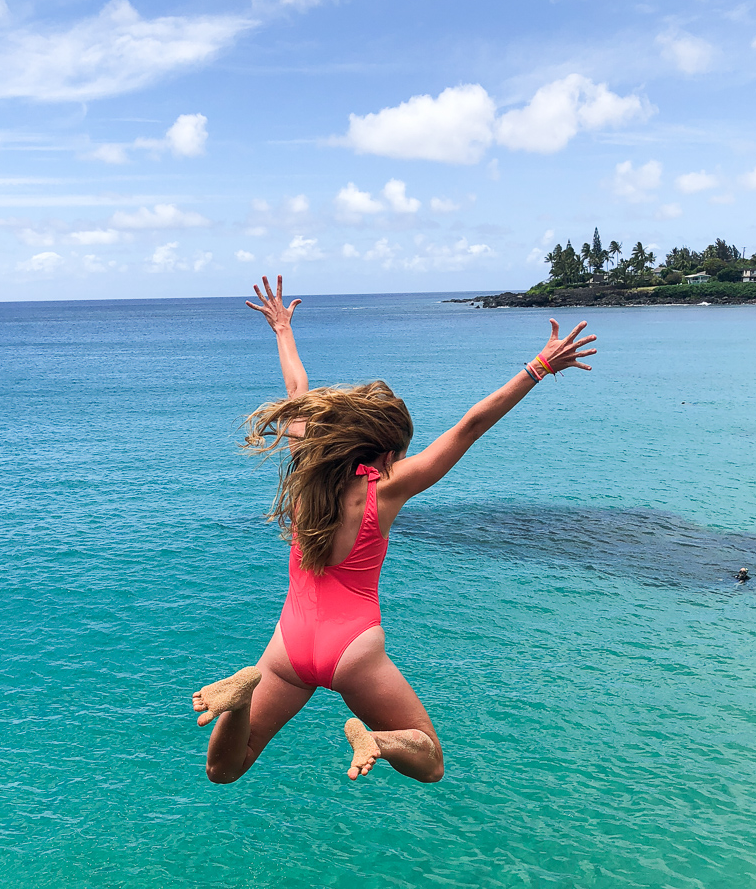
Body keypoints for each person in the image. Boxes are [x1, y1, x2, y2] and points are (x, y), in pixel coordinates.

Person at [192, 275, 596, 784]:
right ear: (385, 452)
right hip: (353, 649)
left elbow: (297, 392)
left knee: (226, 768)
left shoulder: (307, 467)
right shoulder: (385, 486)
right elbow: (469, 426)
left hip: (286, 649)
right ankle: (379, 739)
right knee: (429, 760)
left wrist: (282, 329)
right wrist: (538, 367)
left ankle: (240, 698)